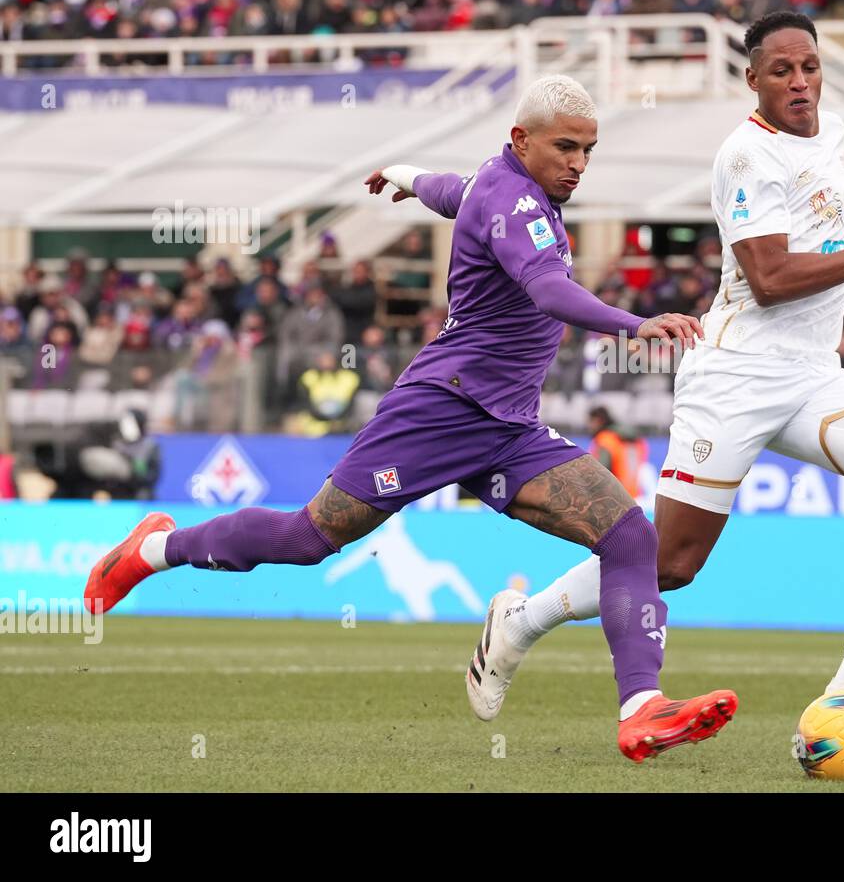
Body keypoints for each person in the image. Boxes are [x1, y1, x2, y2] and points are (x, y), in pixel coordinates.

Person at [82, 75, 737, 763]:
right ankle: (152, 550)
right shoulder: (515, 196)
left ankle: (641, 708)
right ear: (522, 141)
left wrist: (404, 175)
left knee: (630, 536)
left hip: (508, 428)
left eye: (589, 150)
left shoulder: (503, 182)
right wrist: (637, 323)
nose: (578, 163)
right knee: (307, 539)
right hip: (440, 409)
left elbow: (450, 192)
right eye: (565, 147)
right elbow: (547, 291)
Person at [442, 14, 844, 736]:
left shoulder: (831, 132)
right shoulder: (746, 156)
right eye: (780, 70)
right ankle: (520, 622)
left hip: (812, 374)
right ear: (752, 79)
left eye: (808, 66)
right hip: (736, 379)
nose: (800, 81)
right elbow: (771, 277)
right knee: (674, 563)